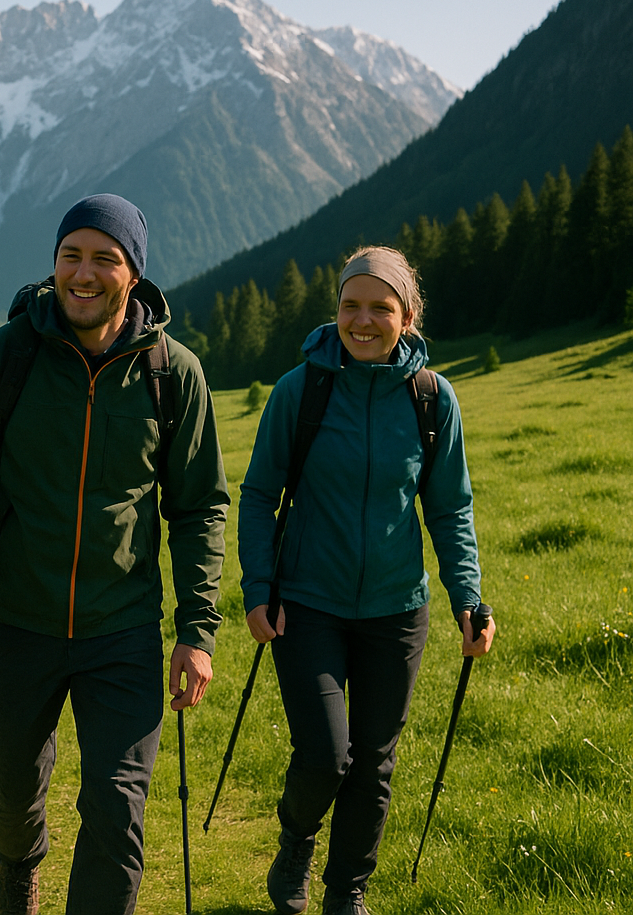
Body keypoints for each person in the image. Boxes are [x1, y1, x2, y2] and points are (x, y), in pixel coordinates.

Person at [0, 193, 231, 915]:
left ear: (134, 275)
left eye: (104, 258)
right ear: (54, 263)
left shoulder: (171, 373)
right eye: (71, 255)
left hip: (121, 630)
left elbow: (197, 509)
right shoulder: (4, 360)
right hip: (16, 623)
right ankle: (20, 864)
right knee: (14, 793)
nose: (83, 273)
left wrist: (197, 631)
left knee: (118, 812)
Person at [238, 245, 495, 915]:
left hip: (395, 610)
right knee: (326, 756)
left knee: (374, 766)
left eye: (380, 307)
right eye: (351, 304)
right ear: (337, 310)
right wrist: (258, 586)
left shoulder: (432, 401)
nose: (362, 319)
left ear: (406, 316)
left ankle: (345, 894)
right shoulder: (303, 390)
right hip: (307, 604)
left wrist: (468, 595)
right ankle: (297, 837)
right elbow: (260, 493)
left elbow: (449, 507)